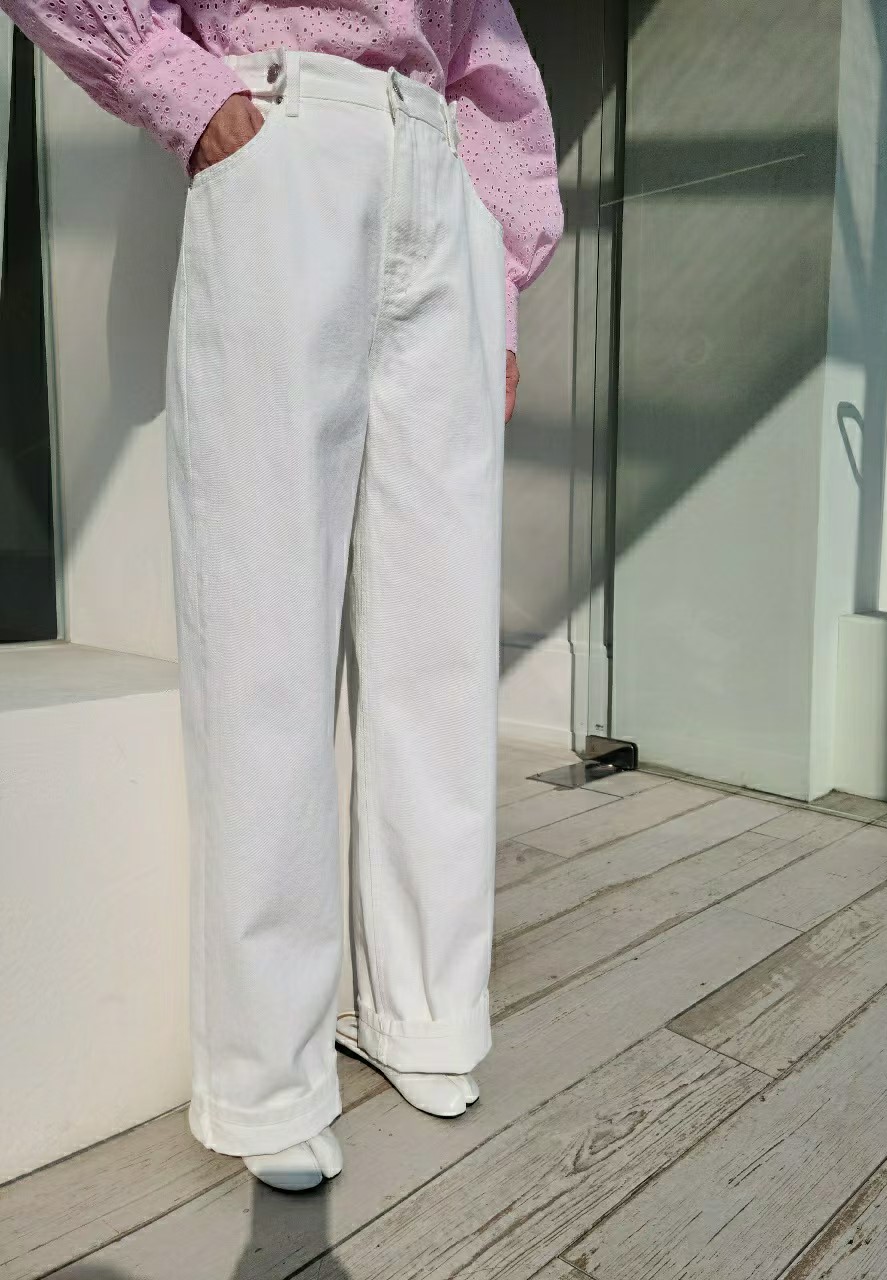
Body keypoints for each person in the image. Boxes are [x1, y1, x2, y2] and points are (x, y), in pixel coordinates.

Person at [3, 0, 562, 1190]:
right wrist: (185, 90)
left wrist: (496, 259)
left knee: (440, 650)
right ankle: (268, 1075)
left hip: (441, 172)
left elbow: (483, 45)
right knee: (265, 633)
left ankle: (425, 1011)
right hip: (283, 136)